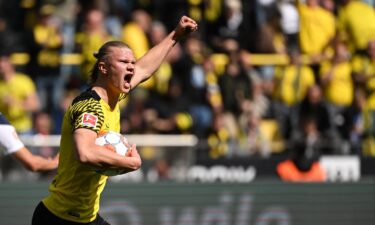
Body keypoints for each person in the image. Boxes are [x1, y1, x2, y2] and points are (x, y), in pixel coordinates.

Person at [31, 15, 198, 225]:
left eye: (132, 63)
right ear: (103, 68)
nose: (131, 67)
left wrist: (175, 35)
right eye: (124, 62)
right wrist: (130, 162)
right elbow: (85, 152)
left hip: (85, 217)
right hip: (59, 219)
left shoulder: (114, 96)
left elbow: (145, 68)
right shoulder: (89, 105)